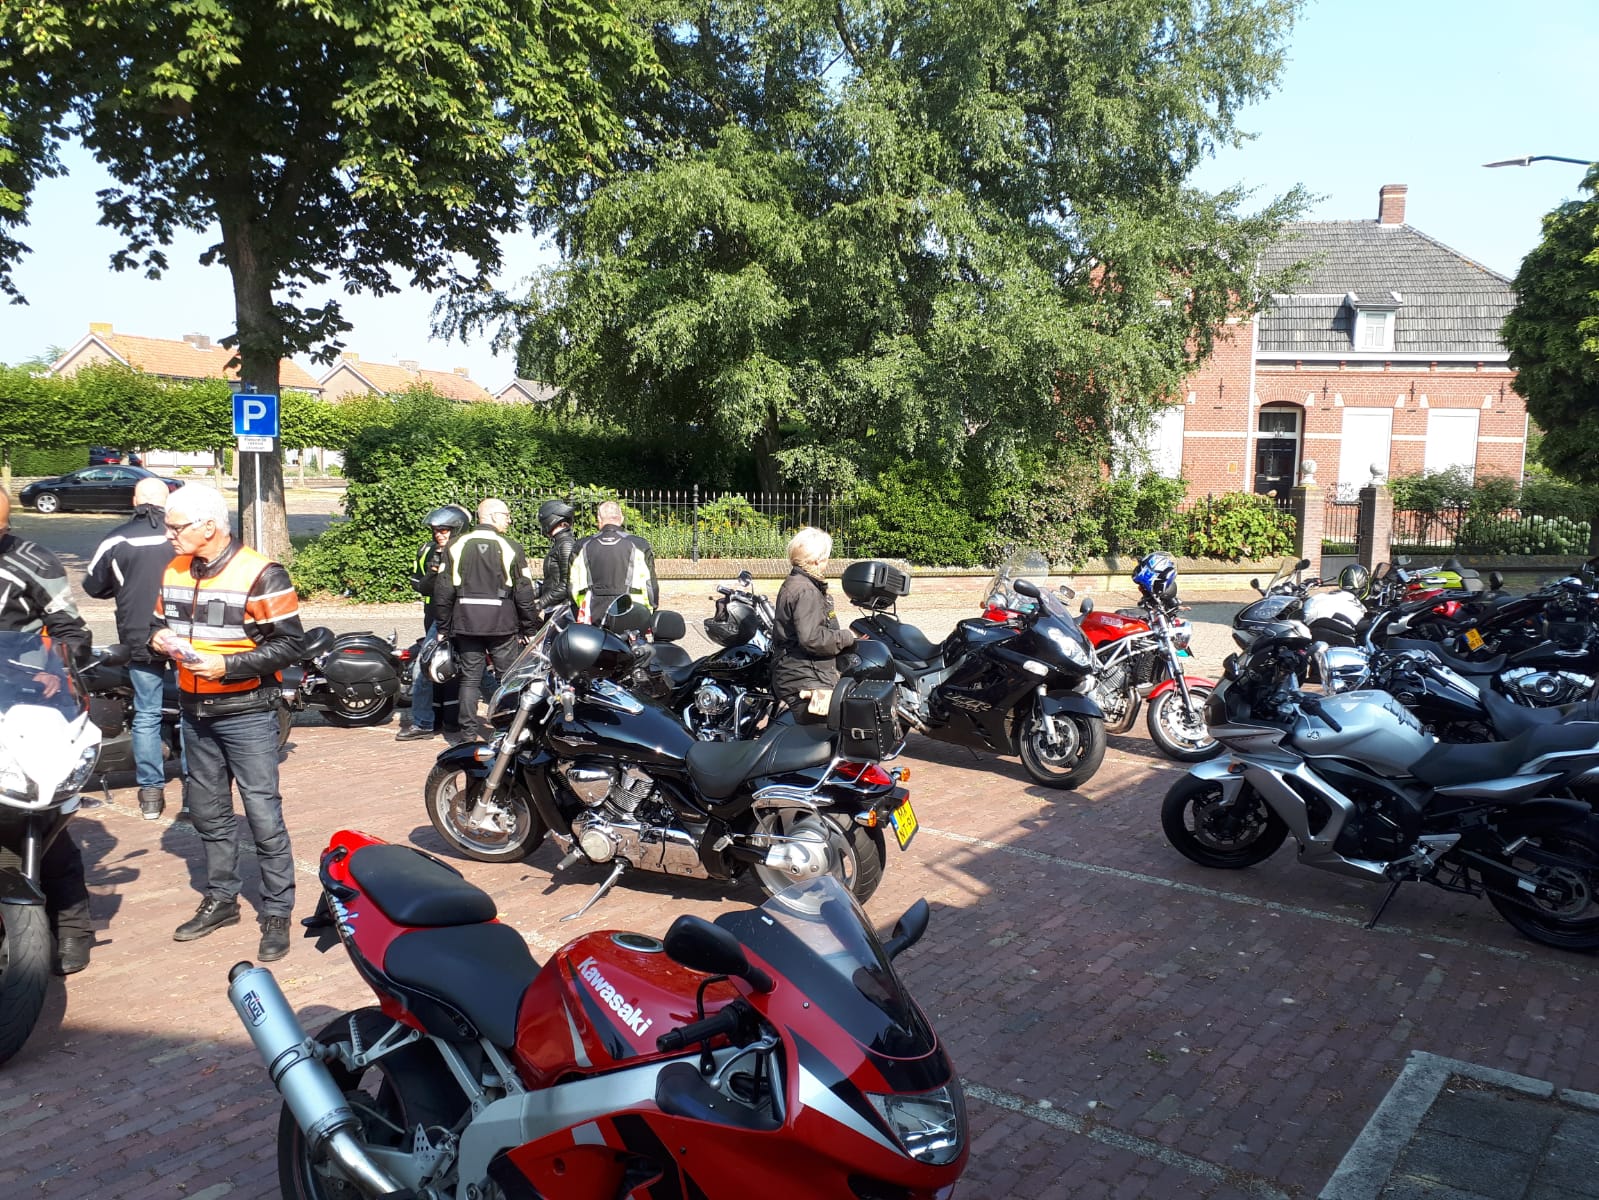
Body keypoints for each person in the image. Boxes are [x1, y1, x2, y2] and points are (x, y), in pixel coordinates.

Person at [149, 483, 304, 962]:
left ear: (209, 526)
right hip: (195, 713)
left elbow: (291, 645)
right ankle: (221, 899)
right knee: (208, 812)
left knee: (262, 813)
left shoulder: (261, 573)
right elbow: (158, 624)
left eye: (175, 526)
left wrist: (227, 666)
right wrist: (159, 639)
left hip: (247, 712)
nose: (168, 534)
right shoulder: (174, 568)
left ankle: (277, 911)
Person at [0, 490, 96, 974]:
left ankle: (73, 926)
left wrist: (57, 670)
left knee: (43, 812)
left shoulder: (33, 561)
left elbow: (71, 630)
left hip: (21, 698)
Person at [82, 477, 176, 817]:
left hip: (139, 635)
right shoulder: (182, 535)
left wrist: (123, 586)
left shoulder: (117, 538)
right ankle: (197, 793)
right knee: (196, 710)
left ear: (135, 501)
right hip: (186, 633)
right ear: (168, 500)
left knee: (146, 713)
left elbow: (93, 585)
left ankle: (151, 793)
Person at [432, 497, 538, 742]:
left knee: (470, 679)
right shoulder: (510, 546)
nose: (509, 520)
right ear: (492, 516)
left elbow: (443, 589)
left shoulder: (456, 545)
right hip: (502, 623)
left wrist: (443, 626)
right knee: (508, 679)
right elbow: (523, 591)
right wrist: (529, 627)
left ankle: (468, 734)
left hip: (466, 622)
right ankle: (508, 730)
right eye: (506, 515)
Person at [396, 504, 470, 741]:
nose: (439, 534)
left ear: (457, 529)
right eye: (436, 530)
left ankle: (427, 722)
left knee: (471, 669)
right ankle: (427, 722)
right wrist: (434, 568)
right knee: (431, 666)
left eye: (444, 530)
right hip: (436, 617)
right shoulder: (428, 550)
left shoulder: (469, 550)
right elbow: (421, 586)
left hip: (462, 617)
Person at [771, 526, 856, 723]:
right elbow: (812, 639)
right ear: (818, 560)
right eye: (826, 557)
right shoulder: (807, 591)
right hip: (806, 676)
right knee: (834, 730)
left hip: (797, 672)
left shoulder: (795, 583)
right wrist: (846, 637)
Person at [570, 500, 659, 627]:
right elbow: (651, 585)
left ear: (599, 519)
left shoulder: (582, 546)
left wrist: (580, 608)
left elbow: (572, 585)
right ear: (621, 518)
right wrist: (651, 610)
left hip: (593, 614)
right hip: (632, 611)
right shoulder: (639, 544)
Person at [534, 499, 578, 613]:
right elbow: (551, 583)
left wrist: (539, 605)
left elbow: (566, 585)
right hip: (554, 608)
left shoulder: (566, 545)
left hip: (562, 611)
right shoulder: (559, 543)